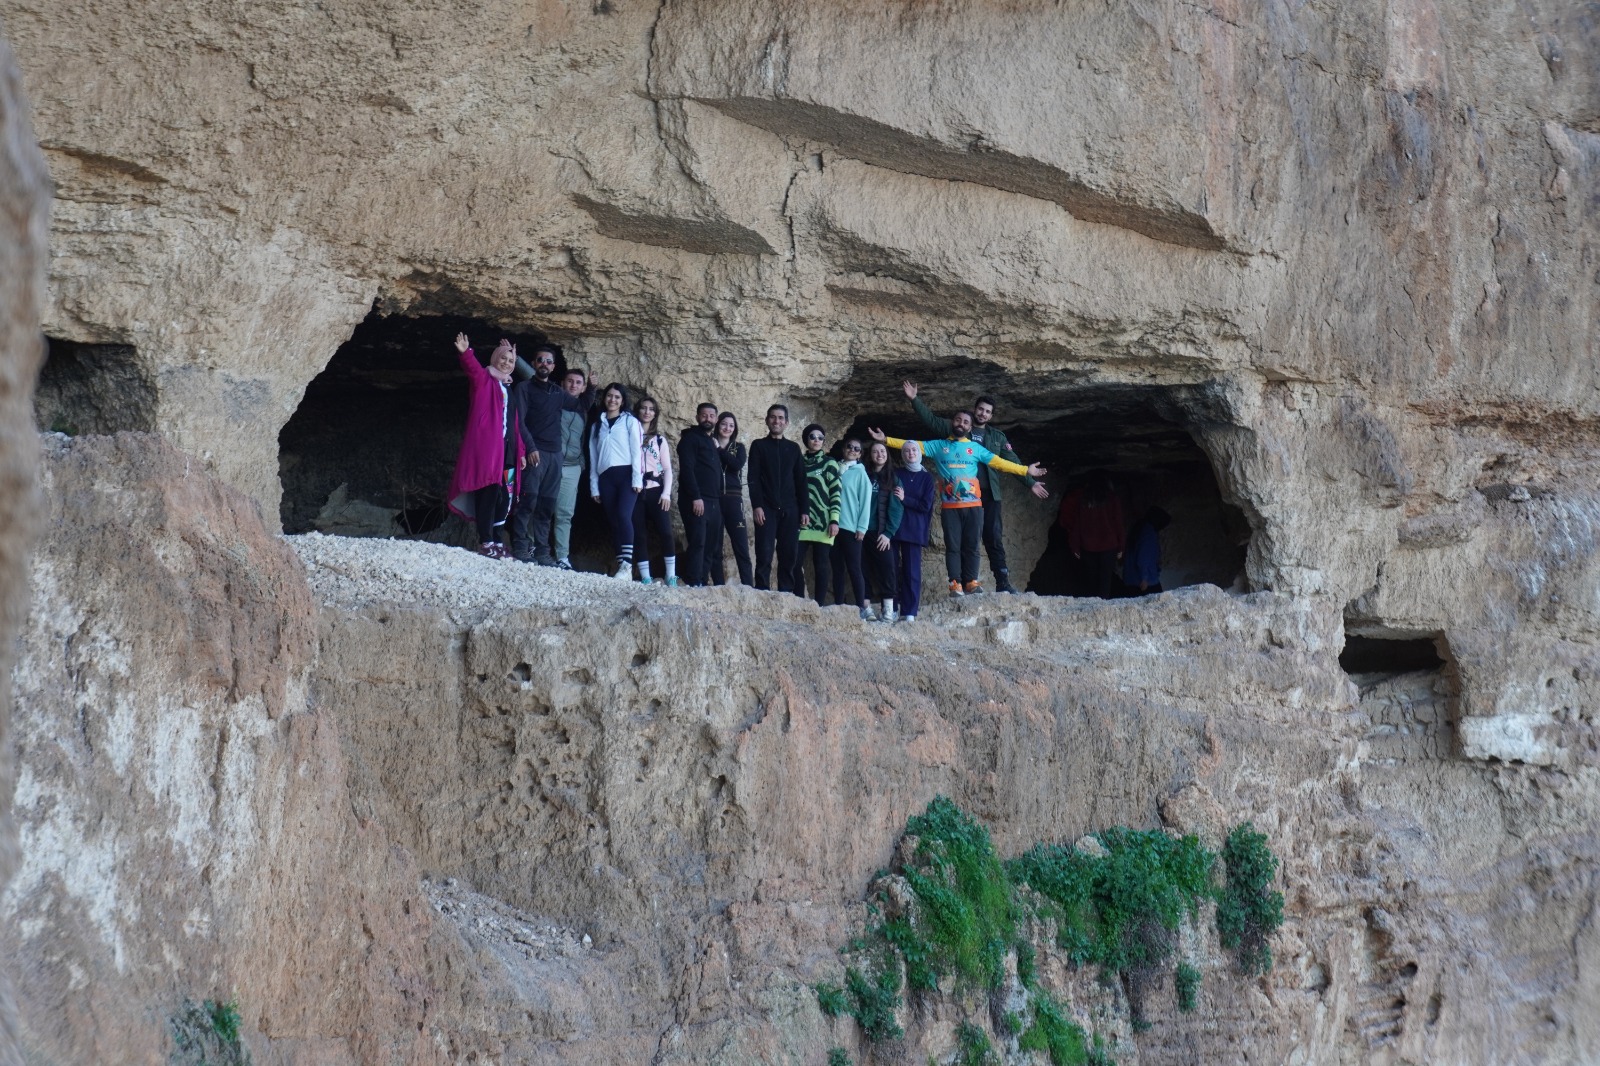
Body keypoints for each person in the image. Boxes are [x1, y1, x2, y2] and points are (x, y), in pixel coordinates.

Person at [871, 413, 1047, 598]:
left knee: (972, 545)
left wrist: (1025, 469)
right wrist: (885, 440)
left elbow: (999, 463)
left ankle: (971, 582)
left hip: (974, 505)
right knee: (953, 546)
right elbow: (912, 445)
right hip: (950, 507)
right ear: (952, 423)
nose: (960, 424)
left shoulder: (974, 448)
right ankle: (955, 583)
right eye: (957, 420)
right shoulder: (938, 446)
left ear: (970, 428)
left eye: (965, 422)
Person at [905, 381, 1048, 593]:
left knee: (993, 537)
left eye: (987, 412)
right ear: (975, 410)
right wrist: (914, 400)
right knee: (961, 540)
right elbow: (931, 421)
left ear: (991, 416)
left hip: (989, 493)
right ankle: (961, 583)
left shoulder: (997, 437)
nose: (983, 413)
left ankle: (1003, 583)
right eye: (980, 409)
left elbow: (1011, 461)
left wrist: (1030, 481)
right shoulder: (960, 427)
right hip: (962, 495)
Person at [444, 334, 529, 558]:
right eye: (503, 359)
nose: (506, 363)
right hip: (489, 453)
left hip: (508, 455)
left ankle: (498, 541)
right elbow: (473, 370)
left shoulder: (509, 389)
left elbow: (515, 425)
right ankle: (486, 541)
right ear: (494, 359)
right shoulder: (485, 381)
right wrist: (466, 353)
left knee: (506, 497)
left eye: (511, 361)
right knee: (488, 496)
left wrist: (520, 451)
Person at [511, 344, 589, 565]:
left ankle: (543, 552)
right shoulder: (525, 388)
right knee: (528, 501)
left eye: (548, 361)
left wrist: (591, 387)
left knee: (547, 505)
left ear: (553, 366)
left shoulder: (558, 393)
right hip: (538, 452)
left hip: (557, 457)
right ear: (534, 363)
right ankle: (521, 547)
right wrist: (531, 448)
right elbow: (520, 421)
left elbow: (582, 404)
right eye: (540, 360)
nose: (544, 364)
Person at [748, 404, 807, 592]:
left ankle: (786, 593)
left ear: (787, 423)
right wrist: (757, 505)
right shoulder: (758, 445)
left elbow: (801, 481)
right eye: (773, 417)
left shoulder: (794, 448)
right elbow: (753, 478)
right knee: (764, 553)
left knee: (789, 554)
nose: (776, 421)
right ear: (767, 421)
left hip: (791, 509)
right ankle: (762, 591)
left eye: (781, 418)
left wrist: (805, 510)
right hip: (766, 508)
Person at [588, 383, 643, 579]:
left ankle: (627, 565)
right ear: (604, 399)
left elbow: (637, 451)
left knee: (623, 515)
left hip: (626, 475)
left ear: (623, 401)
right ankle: (622, 565)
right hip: (606, 478)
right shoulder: (597, 424)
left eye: (617, 397)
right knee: (614, 521)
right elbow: (593, 456)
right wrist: (594, 486)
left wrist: (638, 478)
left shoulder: (630, 421)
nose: (612, 400)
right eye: (609, 396)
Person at [677, 402, 723, 586]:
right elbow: (687, 469)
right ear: (697, 417)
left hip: (713, 501)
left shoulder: (711, 441)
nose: (707, 419)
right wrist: (696, 497)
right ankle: (693, 581)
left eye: (711, 416)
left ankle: (702, 581)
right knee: (698, 542)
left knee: (711, 545)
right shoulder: (690, 439)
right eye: (704, 415)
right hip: (696, 499)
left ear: (716, 419)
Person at [632, 397, 677, 586]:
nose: (647, 412)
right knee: (639, 534)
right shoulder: (630, 437)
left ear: (655, 414)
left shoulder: (659, 441)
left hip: (656, 490)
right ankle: (645, 576)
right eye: (643, 408)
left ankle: (671, 575)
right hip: (634, 490)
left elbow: (667, 468)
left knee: (666, 532)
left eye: (651, 409)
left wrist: (666, 493)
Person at [891, 440, 936, 622]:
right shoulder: (897, 473)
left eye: (914, 450)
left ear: (919, 453)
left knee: (912, 572)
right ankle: (891, 608)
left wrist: (905, 499)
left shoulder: (927, 478)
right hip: (894, 528)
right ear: (903, 455)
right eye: (907, 450)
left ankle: (909, 611)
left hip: (915, 529)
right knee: (891, 569)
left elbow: (925, 505)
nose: (910, 453)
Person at [794, 423, 840, 604]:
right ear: (806, 440)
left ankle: (819, 605)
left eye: (820, 437)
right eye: (812, 437)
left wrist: (834, 520)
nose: (816, 440)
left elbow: (836, 492)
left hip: (824, 522)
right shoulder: (799, 462)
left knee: (821, 565)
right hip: (802, 520)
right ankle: (798, 599)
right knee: (794, 563)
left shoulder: (830, 463)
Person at [1061, 469, 1124, 598]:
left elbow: (1077, 524)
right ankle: (1103, 607)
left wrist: (1075, 546)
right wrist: (1122, 546)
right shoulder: (1112, 499)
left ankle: (1093, 606)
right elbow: (1118, 523)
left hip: (1088, 546)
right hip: (1109, 545)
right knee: (1105, 580)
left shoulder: (1084, 499)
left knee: (1091, 580)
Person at [552, 367, 592, 570]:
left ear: (583, 387)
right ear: (561, 383)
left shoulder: (583, 409)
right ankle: (532, 549)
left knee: (565, 513)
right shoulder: (553, 401)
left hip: (572, 466)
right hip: (551, 462)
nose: (573, 385)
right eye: (570, 381)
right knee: (539, 506)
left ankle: (562, 557)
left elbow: (583, 439)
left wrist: (581, 464)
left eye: (578, 382)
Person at [831, 438, 872, 619]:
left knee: (854, 568)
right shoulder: (834, 468)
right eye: (850, 447)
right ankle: (839, 605)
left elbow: (865, 502)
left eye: (857, 449)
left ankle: (860, 607)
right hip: (833, 526)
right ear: (843, 449)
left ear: (860, 454)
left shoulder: (860, 473)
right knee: (836, 567)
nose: (853, 450)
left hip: (851, 527)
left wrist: (862, 527)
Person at [712, 412, 755, 586]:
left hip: (733, 499)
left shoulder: (739, 448)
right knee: (715, 546)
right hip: (714, 499)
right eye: (724, 424)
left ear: (735, 428)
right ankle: (718, 585)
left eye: (731, 425)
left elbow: (737, 464)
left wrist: (719, 450)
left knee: (741, 545)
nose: (727, 428)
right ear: (717, 425)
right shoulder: (708, 444)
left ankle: (748, 586)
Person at [862, 440, 899, 621]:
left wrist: (888, 533)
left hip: (881, 533)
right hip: (860, 531)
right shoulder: (864, 475)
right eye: (875, 451)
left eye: (882, 451)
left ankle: (888, 610)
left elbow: (896, 508)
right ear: (869, 455)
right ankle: (865, 609)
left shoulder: (893, 478)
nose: (879, 455)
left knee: (887, 569)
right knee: (862, 569)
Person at [1123, 505, 1171, 596]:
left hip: (1130, 580)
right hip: (1145, 582)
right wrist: (1144, 578)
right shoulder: (1149, 533)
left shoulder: (1139, 527)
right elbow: (1143, 557)